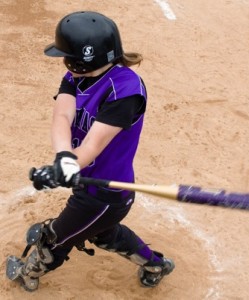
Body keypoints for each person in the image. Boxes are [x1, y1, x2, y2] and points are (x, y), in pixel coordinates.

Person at [6, 11, 175, 292]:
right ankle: (156, 264)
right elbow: (62, 116)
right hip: (88, 181)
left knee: (54, 240)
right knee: (104, 234)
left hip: (104, 194)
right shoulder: (76, 76)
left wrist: (68, 167)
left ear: (82, 61)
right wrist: (62, 159)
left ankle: (27, 274)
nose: (63, 61)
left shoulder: (125, 92)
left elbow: (92, 146)